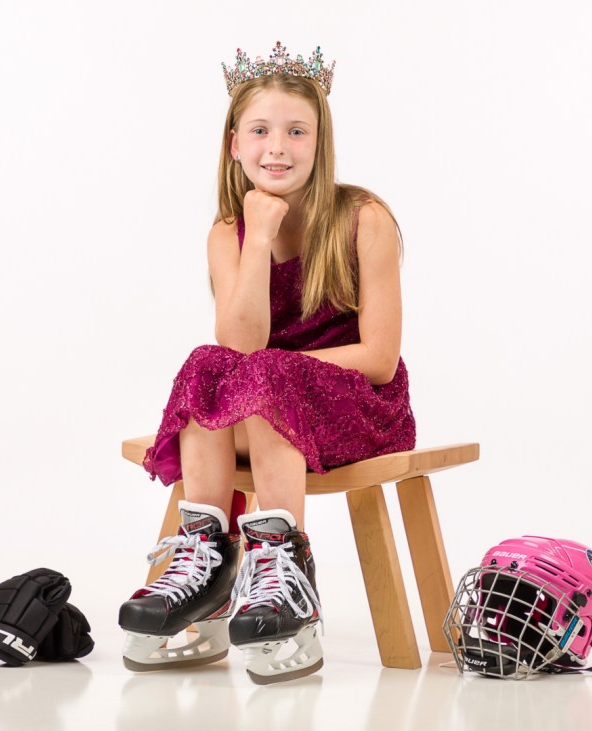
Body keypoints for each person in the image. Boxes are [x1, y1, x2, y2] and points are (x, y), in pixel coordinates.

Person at [119, 42, 416, 685]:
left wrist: (278, 374)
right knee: (208, 364)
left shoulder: (364, 219)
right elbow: (237, 344)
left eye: (296, 132)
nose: (277, 147)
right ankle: (207, 560)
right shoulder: (228, 233)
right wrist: (257, 237)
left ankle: (286, 570)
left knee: (257, 375)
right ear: (234, 144)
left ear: (320, 142)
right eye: (259, 131)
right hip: (260, 405)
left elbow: (379, 358)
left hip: (359, 409)